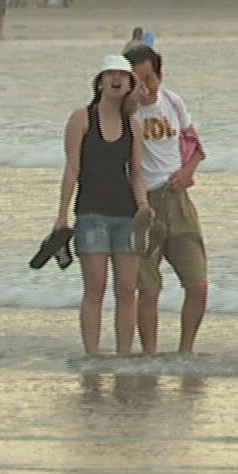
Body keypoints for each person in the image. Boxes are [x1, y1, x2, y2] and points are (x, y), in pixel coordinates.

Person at [56, 55, 150, 357]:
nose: (116, 80)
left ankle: (124, 357)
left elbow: (137, 172)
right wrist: (61, 216)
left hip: (126, 215)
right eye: (110, 74)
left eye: (122, 75)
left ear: (130, 84)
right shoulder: (82, 118)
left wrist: (143, 206)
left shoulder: (133, 126)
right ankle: (93, 357)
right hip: (91, 214)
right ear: (99, 82)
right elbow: (72, 169)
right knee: (95, 289)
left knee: (127, 290)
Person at [125, 45, 208, 355]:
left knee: (197, 285)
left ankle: (185, 352)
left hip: (177, 200)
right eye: (136, 82)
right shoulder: (125, 112)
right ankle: (149, 354)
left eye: (149, 79)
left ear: (160, 76)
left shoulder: (173, 102)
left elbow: (196, 145)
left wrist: (188, 171)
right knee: (148, 288)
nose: (145, 89)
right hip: (142, 204)